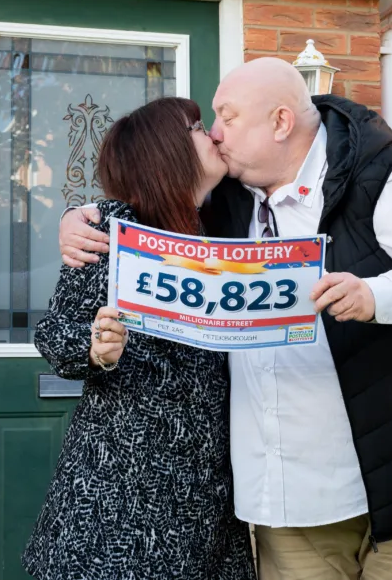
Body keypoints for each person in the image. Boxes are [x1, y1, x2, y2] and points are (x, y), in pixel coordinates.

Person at [59, 58, 392, 580]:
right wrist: (77, 218)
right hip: (289, 509)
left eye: (229, 116)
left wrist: (377, 295)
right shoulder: (225, 199)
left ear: (281, 122)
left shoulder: (384, 181)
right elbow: (152, 196)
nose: (215, 134)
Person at [21, 97, 255, 580]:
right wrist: (96, 348)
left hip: (206, 496)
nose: (211, 133)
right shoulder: (113, 231)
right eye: (196, 127)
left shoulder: (226, 226)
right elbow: (56, 334)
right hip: (119, 495)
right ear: (166, 151)